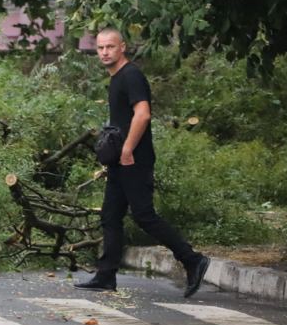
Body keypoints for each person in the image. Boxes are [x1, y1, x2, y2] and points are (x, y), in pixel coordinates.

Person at [75, 29, 210, 297]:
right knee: (110, 216)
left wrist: (126, 149)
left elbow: (143, 115)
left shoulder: (131, 76)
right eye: (100, 48)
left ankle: (192, 260)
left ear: (122, 47)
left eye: (110, 47)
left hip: (134, 160)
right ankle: (105, 275)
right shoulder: (116, 79)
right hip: (120, 161)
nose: (104, 52)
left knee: (144, 215)